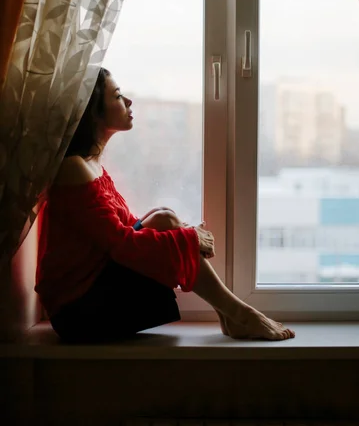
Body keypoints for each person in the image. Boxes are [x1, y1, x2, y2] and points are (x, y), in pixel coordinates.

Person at [35, 67, 295, 343]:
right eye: (118, 96)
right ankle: (237, 313)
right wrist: (188, 238)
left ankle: (231, 313)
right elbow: (121, 243)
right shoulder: (73, 168)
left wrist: (182, 232)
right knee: (169, 225)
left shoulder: (90, 164)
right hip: (78, 312)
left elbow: (125, 225)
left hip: (94, 294)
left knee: (165, 219)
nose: (129, 102)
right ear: (93, 110)